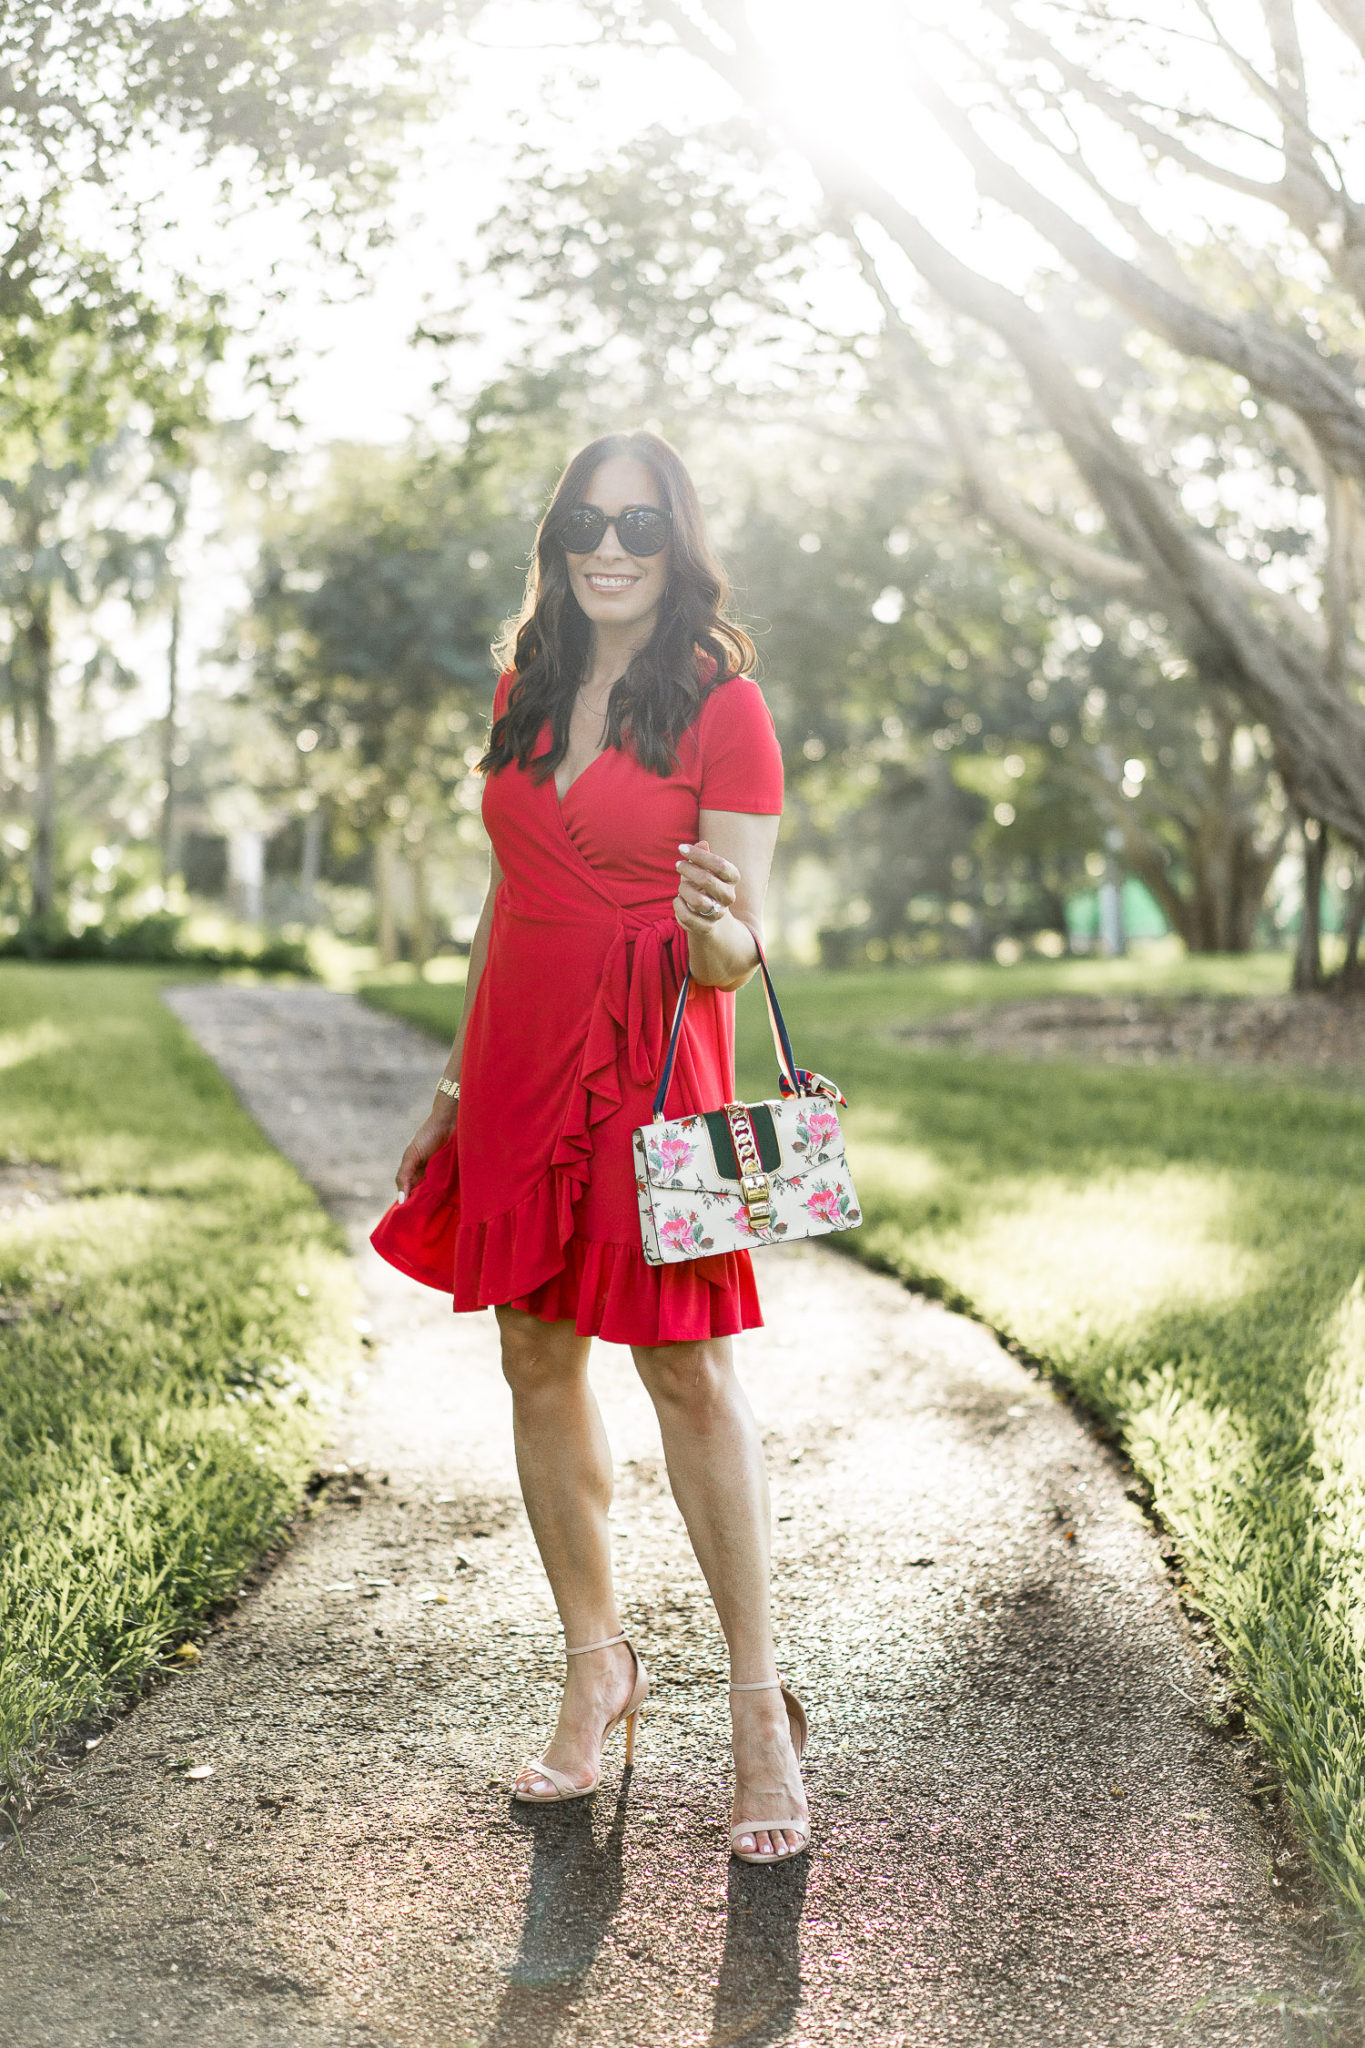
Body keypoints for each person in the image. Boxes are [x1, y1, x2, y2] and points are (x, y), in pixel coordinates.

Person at [372, 430, 808, 1864]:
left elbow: (739, 949)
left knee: (684, 1368)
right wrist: (449, 1077)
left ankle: (756, 1711)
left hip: (655, 1056)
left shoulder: (721, 703)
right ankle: (595, 1663)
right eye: (583, 518)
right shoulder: (528, 686)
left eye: (636, 521)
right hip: (514, 1052)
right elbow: (510, 895)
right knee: (533, 1353)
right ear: (555, 536)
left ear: (676, 539)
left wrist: (711, 928)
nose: (607, 543)